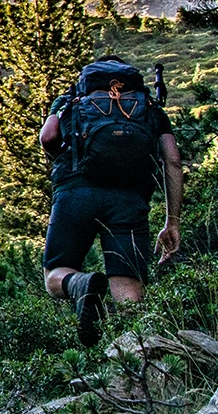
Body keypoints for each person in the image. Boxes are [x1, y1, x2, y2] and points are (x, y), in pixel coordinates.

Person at [38, 59, 183, 347]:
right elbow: (174, 161)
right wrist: (172, 222)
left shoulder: (70, 99)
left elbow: (48, 136)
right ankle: (133, 353)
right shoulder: (149, 106)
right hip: (129, 199)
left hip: (75, 192)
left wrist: (66, 161)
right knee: (129, 289)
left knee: (55, 274)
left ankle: (79, 284)